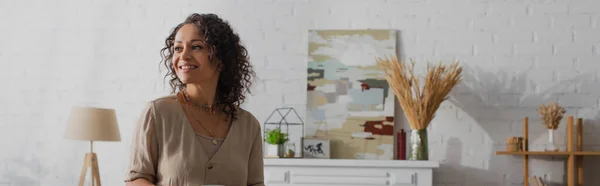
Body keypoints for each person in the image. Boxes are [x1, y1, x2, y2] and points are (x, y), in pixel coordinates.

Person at [124, 13, 264, 186]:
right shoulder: (157, 113)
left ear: (221, 58)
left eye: (196, 47)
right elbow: (137, 178)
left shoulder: (248, 125)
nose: (183, 56)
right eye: (178, 48)